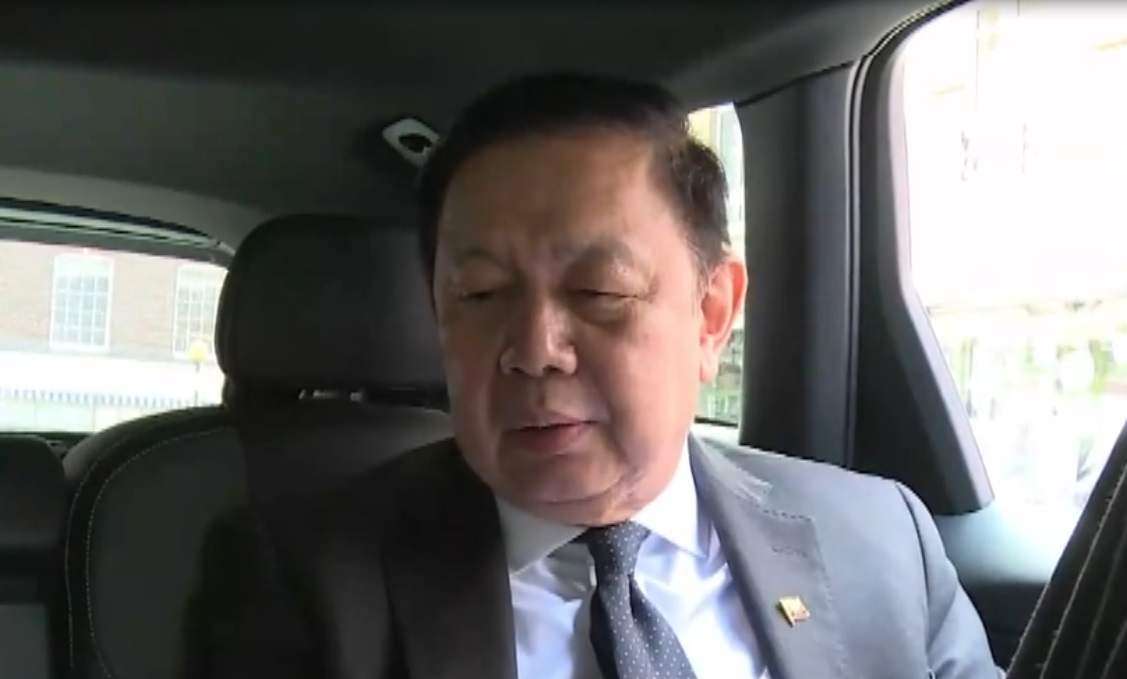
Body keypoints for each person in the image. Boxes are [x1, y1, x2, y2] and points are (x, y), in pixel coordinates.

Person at [189, 72, 1002, 679]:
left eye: (599, 293)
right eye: (481, 295)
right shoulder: (302, 582)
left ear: (710, 312)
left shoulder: (879, 540)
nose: (534, 347)